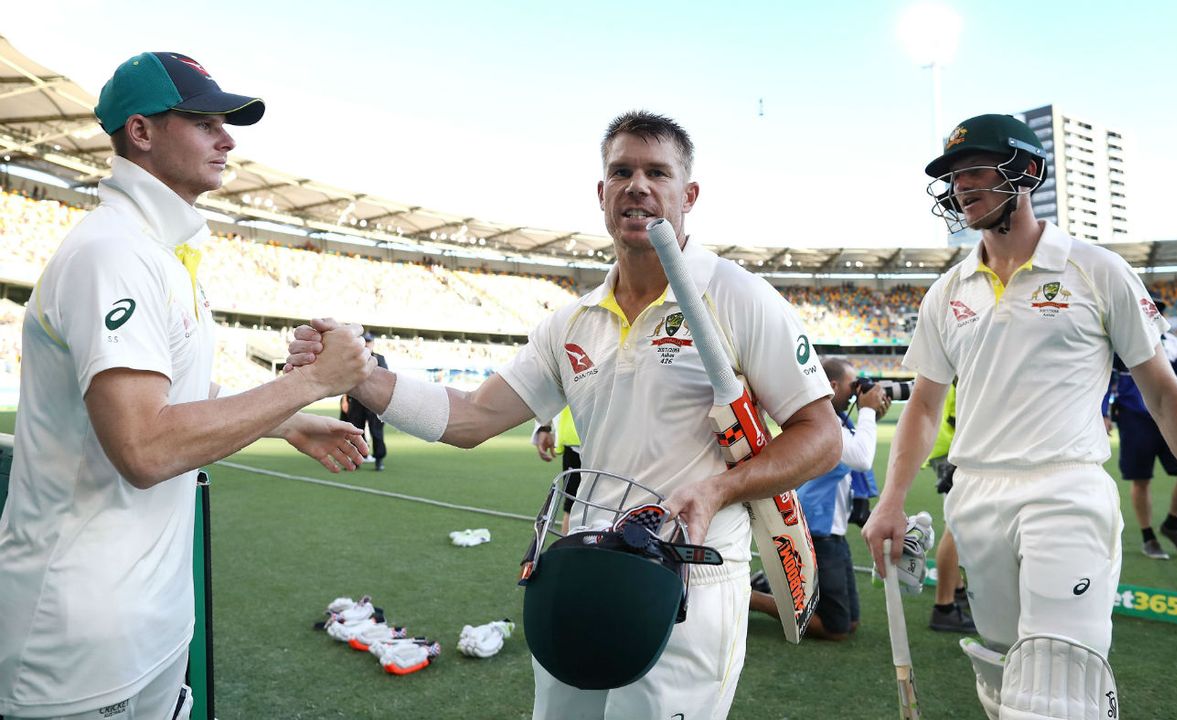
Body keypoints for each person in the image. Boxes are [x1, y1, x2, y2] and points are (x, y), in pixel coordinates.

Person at [289, 110, 841, 719]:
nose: (638, 185)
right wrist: (358, 374)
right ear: (601, 193)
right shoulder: (571, 321)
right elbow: (470, 417)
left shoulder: (738, 296)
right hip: (585, 566)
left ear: (689, 195)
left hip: (689, 579)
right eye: (621, 171)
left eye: (658, 173)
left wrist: (721, 487)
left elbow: (821, 438)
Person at [0, 53, 374, 720]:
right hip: (83, 641)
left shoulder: (157, 251)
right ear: (141, 132)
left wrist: (282, 419)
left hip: (147, 624)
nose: (228, 138)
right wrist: (312, 383)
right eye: (205, 122)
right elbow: (145, 447)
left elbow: (169, 407)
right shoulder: (113, 252)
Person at [862, 113, 1177, 720]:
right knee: (1002, 675)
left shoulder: (1097, 270)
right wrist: (892, 499)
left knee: (1056, 681)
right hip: (974, 494)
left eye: (975, 170)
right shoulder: (946, 292)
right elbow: (924, 405)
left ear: (1026, 172)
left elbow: (1165, 396)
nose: (960, 186)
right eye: (953, 175)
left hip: (1065, 488)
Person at [748, 357, 888, 641]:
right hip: (818, 531)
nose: (857, 392)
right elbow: (861, 458)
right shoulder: (827, 427)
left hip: (832, 531)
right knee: (836, 629)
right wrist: (868, 412)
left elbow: (858, 446)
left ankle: (773, 586)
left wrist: (869, 414)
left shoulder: (839, 421)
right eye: (853, 385)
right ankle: (751, 597)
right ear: (833, 385)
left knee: (851, 623)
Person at [1109, 299, 1177, 560]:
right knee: (1141, 478)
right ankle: (1149, 537)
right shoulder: (1121, 339)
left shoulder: (1170, 342)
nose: (1152, 313)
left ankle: (1172, 524)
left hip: (1169, 416)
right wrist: (1103, 412)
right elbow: (1109, 379)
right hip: (1135, 418)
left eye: (1156, 309)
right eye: (1148, 309)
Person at [923, 382, 977, 633]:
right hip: (955, 450)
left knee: (956, 523)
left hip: (950, 447)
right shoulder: (966, 365)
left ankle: (955, 592)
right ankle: (944, 607)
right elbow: (962, 419)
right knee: (957, 525)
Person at [532, 406, 583, 533]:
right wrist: (544, 426)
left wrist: (544, 426)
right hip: (576, 442)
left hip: (619, 442)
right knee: (573, 505)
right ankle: (569, 551)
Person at [344, 331, 390, 470]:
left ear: (373, 343)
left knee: (376, 431)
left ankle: (379, 459)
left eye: (369, 342)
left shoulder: (379, 359)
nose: (367, 344)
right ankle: (356, 459)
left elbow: (385, 379)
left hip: (374, 401)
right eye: (365, 341)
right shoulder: (353, 358)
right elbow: (347, 380)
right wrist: (345, 399)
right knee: (355, 430)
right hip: (357, 400)